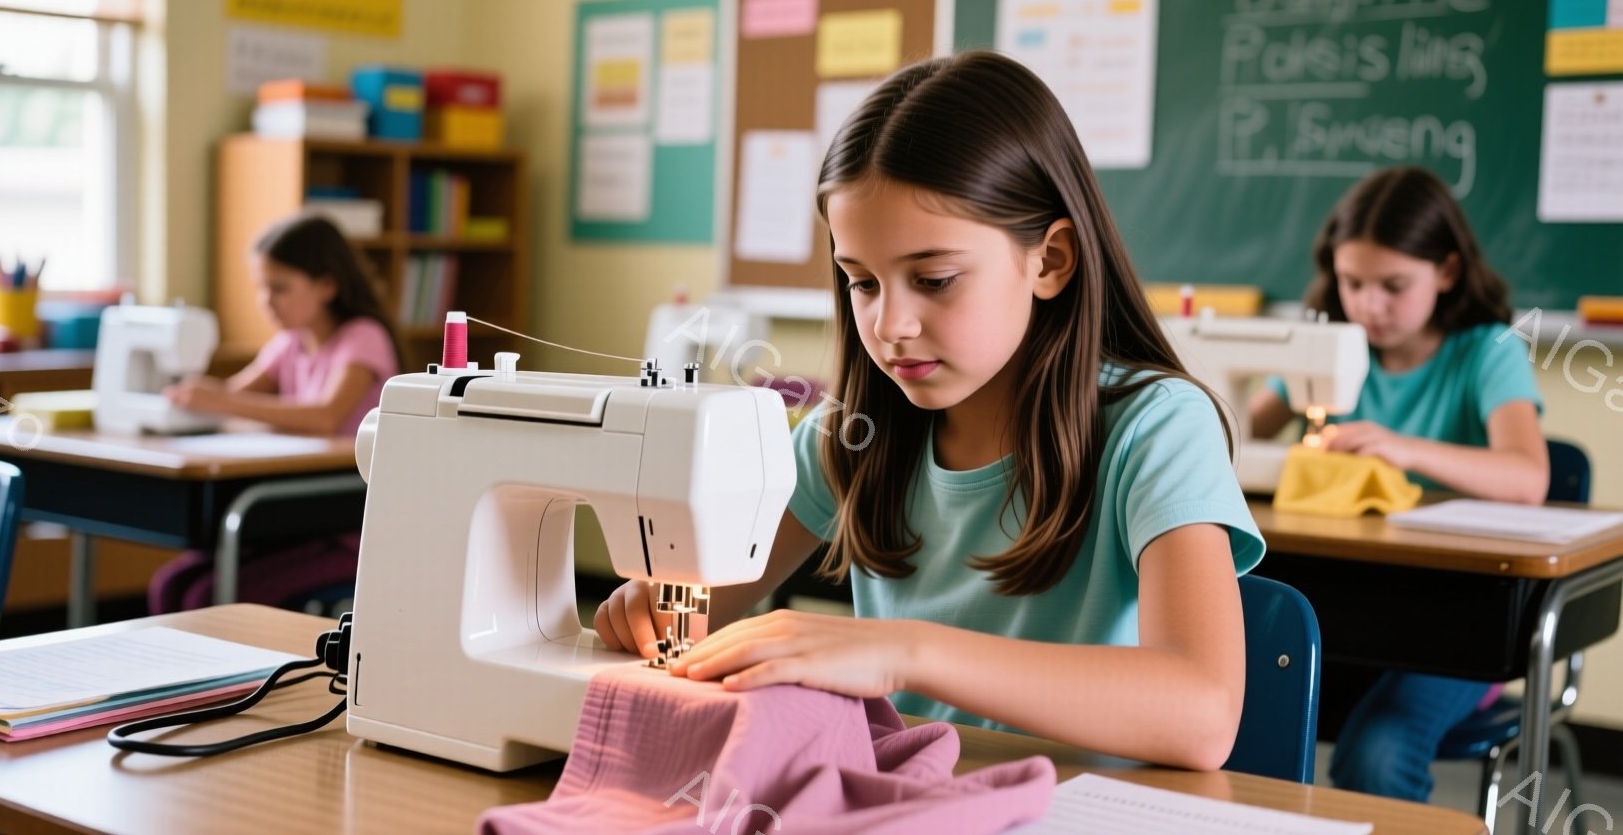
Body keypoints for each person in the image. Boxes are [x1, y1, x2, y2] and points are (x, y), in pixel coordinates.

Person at [595, 51, 1266, 771]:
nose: (889, 325)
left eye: (934, 279)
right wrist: (657, 606)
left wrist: (904, 652)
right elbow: (692, 612)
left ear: (1051, 261)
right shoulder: (851, 437)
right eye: (861, 282)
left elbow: (1202, 716)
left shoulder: (1157, 428)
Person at [1248, 166, 1548, 801]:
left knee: (1378, 755)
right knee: (1237, 716)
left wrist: (1400, 447)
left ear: (1445, 271)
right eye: (1352, 282)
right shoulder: (1326, 349)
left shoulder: (1486, 352)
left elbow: (1529, 478)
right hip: (1344, 614)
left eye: (1393, 285)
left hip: (1458, 629)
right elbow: (1239, 433)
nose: (1368, 305)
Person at [148, 213, 402, 613]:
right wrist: (188, 400)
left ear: (326, 285)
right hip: (299, 517)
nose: (266, 301)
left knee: (206, 596)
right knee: (170, 585)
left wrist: (220, 400)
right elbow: (233, 394)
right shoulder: (290, 343)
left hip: (349, 525)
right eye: (261, 288)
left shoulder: (363, 337)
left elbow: (324, 416)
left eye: (279, 288)